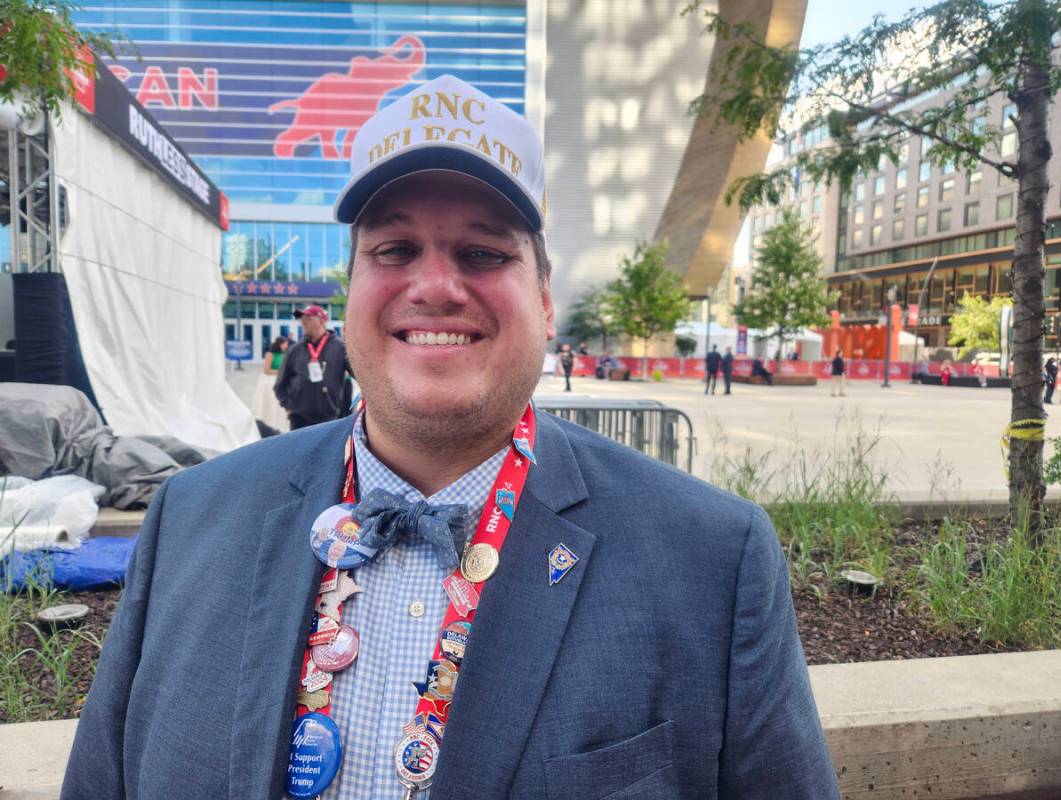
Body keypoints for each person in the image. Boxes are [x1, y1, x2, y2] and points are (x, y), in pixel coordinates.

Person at [63, 75, 837, 799]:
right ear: (351, 292)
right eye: (394, 250)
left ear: (543, 302)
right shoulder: (191, 520)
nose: (434, 285)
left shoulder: (710, 559)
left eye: (482, 253)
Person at [274, 304, 350, 430]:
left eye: (308, 318)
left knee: (326, 450)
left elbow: (360, 375)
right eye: (302, 319)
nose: (303, 322)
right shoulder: (294, 350)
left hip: (329, 418)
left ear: (322, 321)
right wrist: (288, 407)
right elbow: (280, 384)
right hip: (299, 418)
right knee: (300, 450)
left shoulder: (340, 348)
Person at [252, 336, 290, 432]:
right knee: (270, 401)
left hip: (280, 380)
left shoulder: (284, 355)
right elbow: (267, 370)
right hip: (269, 381)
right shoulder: (270, 354)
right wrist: (280, 371)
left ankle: (277, 422)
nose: (287, 346)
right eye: (285, 343)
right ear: (280, 344)